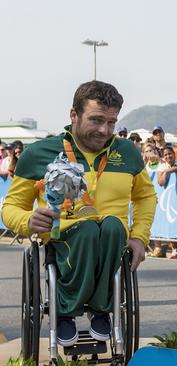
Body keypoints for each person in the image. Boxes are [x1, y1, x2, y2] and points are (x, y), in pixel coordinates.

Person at [1, 80, 156, 347]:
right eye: (96, 120)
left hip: (112, 237)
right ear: (74, 114)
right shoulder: (40, 153)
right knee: (85, 230)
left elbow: (145, 196)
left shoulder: (127, 152)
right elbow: (10, 207)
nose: (104, 130)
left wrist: (140, 237)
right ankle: (65, 310)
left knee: (111, 226)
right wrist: (28, 220)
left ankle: (102, 309)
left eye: (111, 122)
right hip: (64, 235)